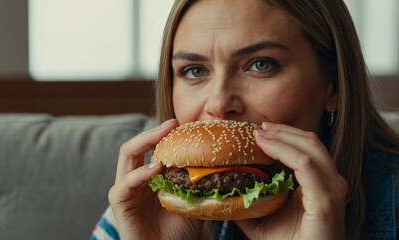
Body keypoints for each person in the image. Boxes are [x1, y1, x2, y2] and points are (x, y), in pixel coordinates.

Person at [91, 0, 399, 239]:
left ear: (333, 84)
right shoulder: (140, 204)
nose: (219, 103)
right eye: (194, 71)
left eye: (261, 64)